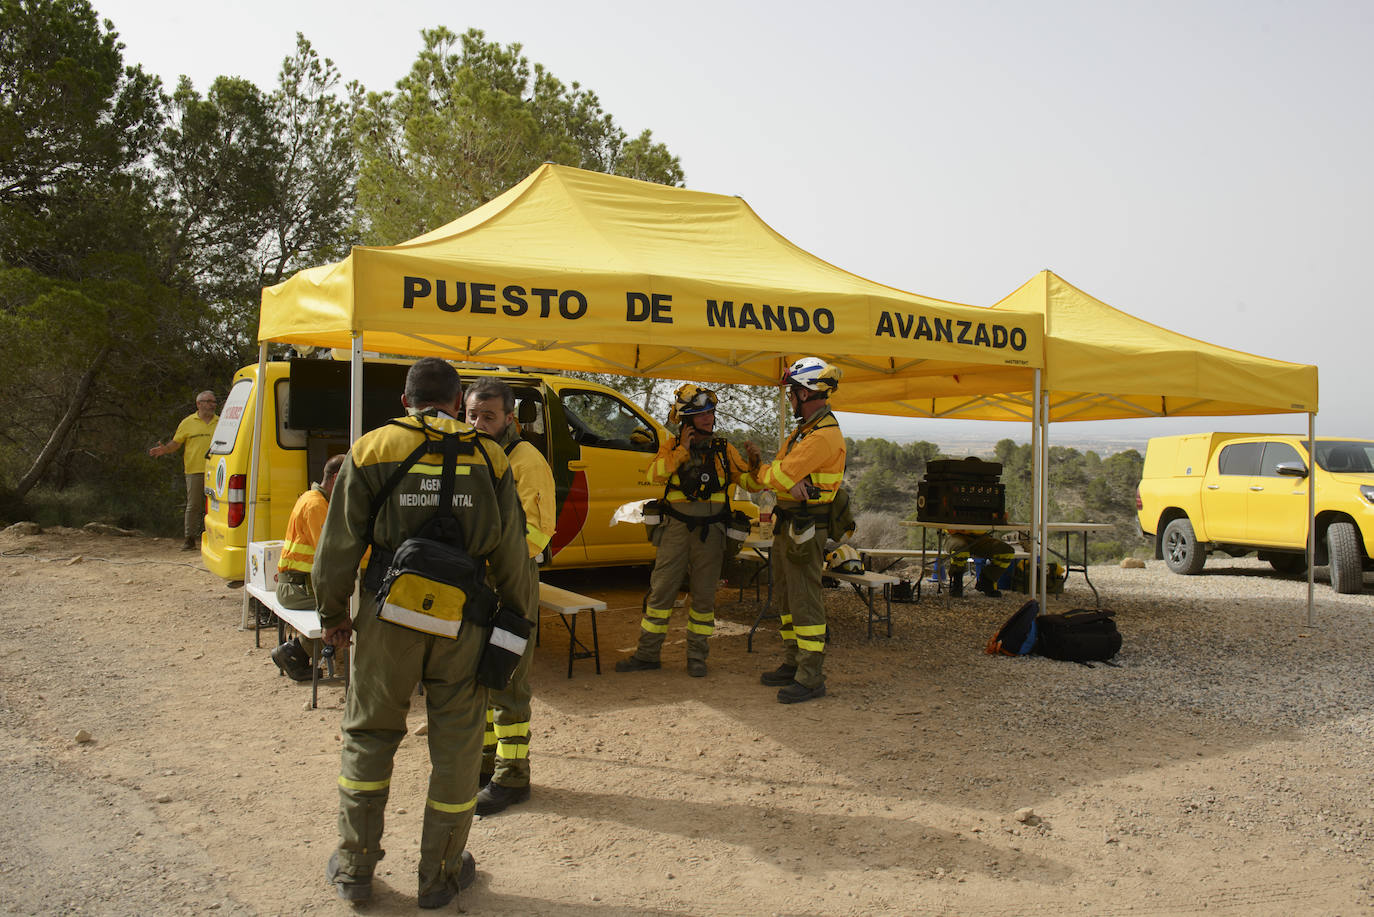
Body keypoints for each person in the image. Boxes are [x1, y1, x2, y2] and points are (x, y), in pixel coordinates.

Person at [313, 358, 534, 907]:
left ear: (405, 401)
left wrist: (333, 615)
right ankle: (440, 875)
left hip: (388, 618)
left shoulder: (370, 449)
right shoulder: (490, 455)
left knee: (369, 736)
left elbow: (338, 546)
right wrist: (517, 627)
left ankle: (356, 868)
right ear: (458, 403)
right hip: (466, 621)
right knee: (458, 750)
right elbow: (513, 557)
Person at [615, 384, 757, 679]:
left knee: (704, 598)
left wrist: (755, 464)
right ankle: (647, 654)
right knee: (662, 592)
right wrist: (683, 450)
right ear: (687, 419)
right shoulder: (671, 447)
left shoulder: (723, 450)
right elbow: (654, 475)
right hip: (676, 531)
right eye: (702, 413)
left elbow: (751, 484)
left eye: (711, 412)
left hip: (712, 533)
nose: (709, 418)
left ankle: (697, 657)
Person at [463, 377, 557, 817]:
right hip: (475, 582)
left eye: (489, 416)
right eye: (472, 414)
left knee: (508, 679)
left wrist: (490, 559)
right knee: (478, 677)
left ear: (509, 419)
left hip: (511, 583)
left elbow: (535, 534)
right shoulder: (470, 454)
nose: (479, 423)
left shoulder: (526, 460)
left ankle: (513, 776)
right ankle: (484, 765)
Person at [740, 357, 846, 704]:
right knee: (786, 597)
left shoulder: (823, 436)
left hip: (805, 526)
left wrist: (780, 476)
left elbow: (777, 476)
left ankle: (811, 675)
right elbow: (778, 473)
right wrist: (778, 475)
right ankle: (793, 661)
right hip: (791, 522)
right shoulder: (805, 431)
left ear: (806, 392)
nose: (790, 398)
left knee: (804, 599)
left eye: (793, 392)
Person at [269, 454, 345, 682]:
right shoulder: (315, 505)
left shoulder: (320, 500)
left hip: (300, 584)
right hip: (297, 588)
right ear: (335, 479)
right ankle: (294, 652)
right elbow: (330, 552)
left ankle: (296, 651)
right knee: (350, 608)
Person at [148, 391, 219, 549]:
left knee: (216, 506)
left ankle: (215, 540)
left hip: (216, 471)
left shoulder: (221, 422)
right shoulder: (188, 422)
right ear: (198, 404)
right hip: (194, 470)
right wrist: (164, 450)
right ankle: (189, 539)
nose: (212, 405)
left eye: (214, 402)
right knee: (193, 505)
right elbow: (176, 443)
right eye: (208, 401)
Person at [944, 529, 1015, 598]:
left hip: (981, 538)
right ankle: (957, 583)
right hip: (955, 536)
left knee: (1006, 551)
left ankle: (986, 581)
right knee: (959, 547)